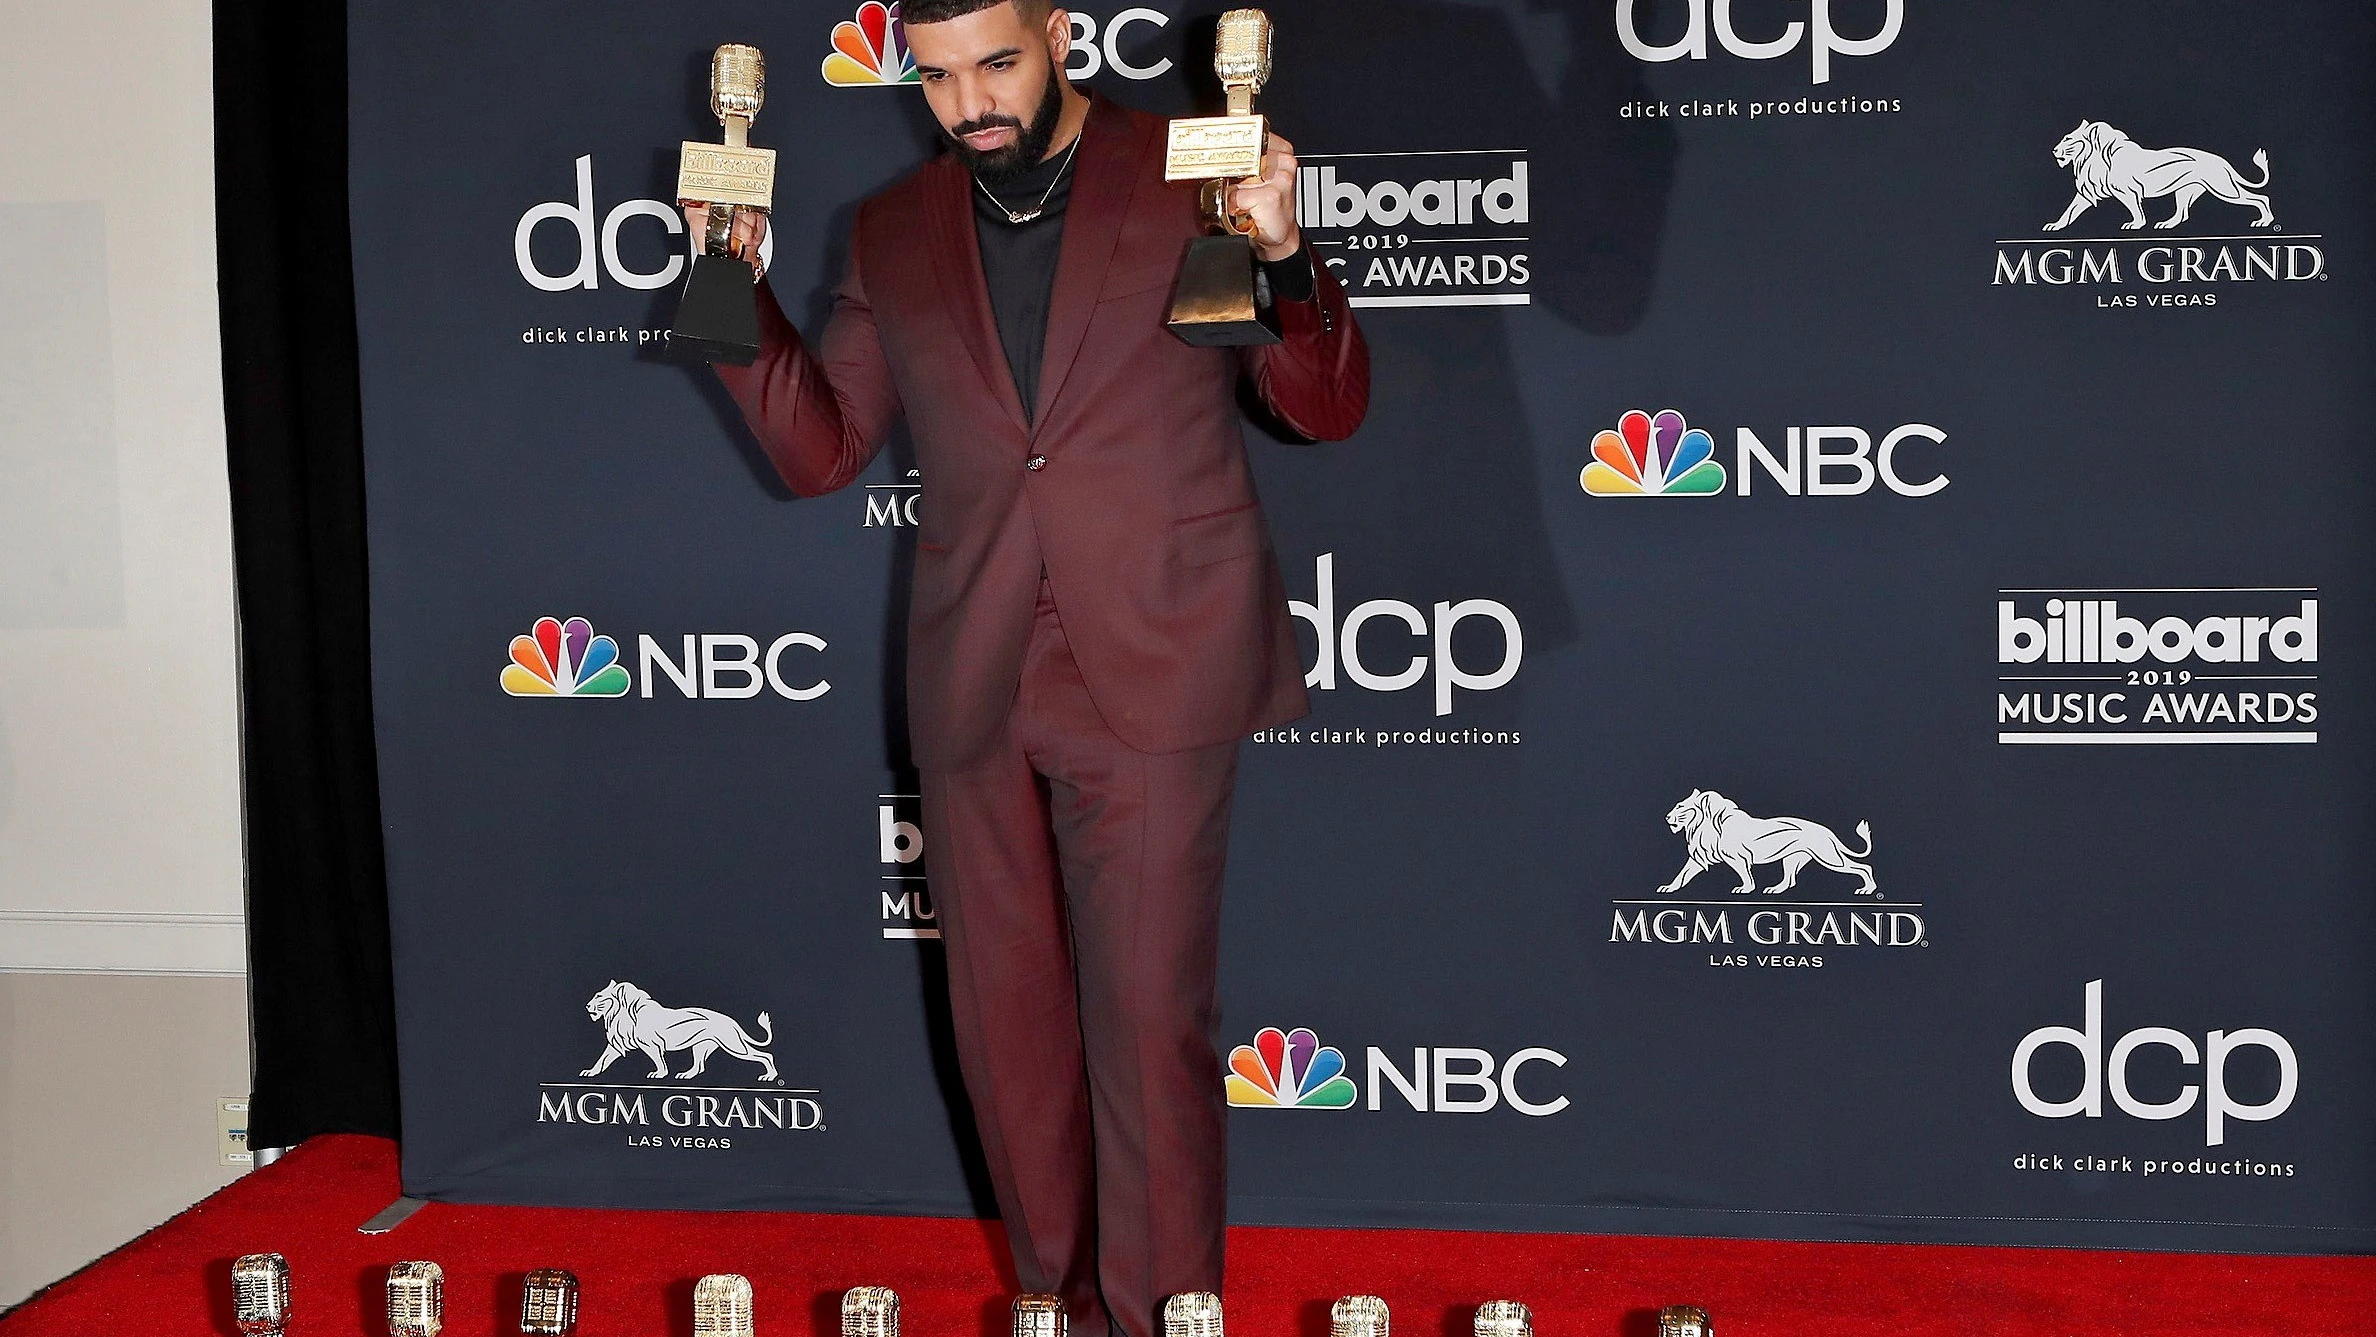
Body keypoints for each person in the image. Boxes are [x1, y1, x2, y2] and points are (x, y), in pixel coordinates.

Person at [680, 3, 1369, 1335]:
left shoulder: (1190, 167)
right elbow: (822, 452)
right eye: (937, 77)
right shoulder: (892, 230)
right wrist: (732, 291)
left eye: (996, 63)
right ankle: (1056, 1308)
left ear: (1060, 36)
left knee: (1147, 1024)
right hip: (977, 664)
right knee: (1006, 1041)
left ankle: (1160, 1318)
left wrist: (1285, 253)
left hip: (1157, 648)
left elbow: (1324, 406)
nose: (969, 101)